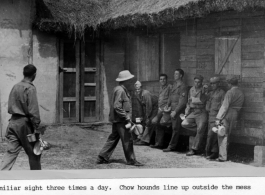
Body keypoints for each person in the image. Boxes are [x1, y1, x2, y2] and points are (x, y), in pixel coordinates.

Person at [96, 70, 143, 166]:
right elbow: (117, 106)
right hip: (121, 120)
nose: (131, 82)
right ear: (125, 81)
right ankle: (131, 160)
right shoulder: (120, 90)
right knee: (127, 139)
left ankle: (102, 157)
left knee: (113, 138)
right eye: (129, 80)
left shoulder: (119, 89)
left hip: (117, 120)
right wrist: (126, 117)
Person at [0, 64, 42, 170]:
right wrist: (36, 127)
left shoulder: (15, 86)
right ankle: (37, 179)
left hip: (13, 123)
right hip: (25, 125)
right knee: (34, 153)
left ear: (24, 73)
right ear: (34, 75)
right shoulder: (30, 88)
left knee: (10, 152)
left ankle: (2, 176)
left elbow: (10, 105)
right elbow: (33, 111)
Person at [156, 69, 188, 152]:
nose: (175, 75)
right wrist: (167, 104)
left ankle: (171, 146)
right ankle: (162, 142)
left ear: (181, 75)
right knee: (162, 122)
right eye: (174, 73)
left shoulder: (183, 86)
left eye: (177, 74)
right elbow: (170, 96)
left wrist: (175, 111)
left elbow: (182, 102)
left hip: (178, 110)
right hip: (171, 109)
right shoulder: (174, 84)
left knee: (175, 128)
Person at [215, 76, 244, 162]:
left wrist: (218, 118)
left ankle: (222, 157)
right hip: (235, 114)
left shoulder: (229, 92)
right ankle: (225, 155)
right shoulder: (241, 92)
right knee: (229, 134)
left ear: (230, 84)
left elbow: (225, 106)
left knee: (222, 133)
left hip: (228, 113)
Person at [182, 75, 208, 156]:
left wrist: (205, 90)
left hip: (201, 112)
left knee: (200, 129)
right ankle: (200, 129)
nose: (197, 84)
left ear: (201, 82)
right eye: (195, 82)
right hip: (193, 112)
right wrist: (186, 112)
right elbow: (188, 103)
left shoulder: (204, 89)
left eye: (199, 82)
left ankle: (193, 149)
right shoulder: (191, 89)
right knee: (184, 123)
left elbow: (204, 99)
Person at [205, 77, 225, 160]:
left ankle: (212, 152)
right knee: (210, 135)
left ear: (218, 84)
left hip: (217, 117)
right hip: (210, 116)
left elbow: (222, 106)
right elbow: (206, 103)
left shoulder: (222, 93)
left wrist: (219, 118)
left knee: (212, 135)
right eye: (211, 83)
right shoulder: (210, 93)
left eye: (214, 83)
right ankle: (210, 152)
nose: (212, 85)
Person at [150, 74, 172, 149]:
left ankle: (159, 143)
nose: (162, 81)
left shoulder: (169, 87)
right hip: (159, 109)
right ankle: (158, 143)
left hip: (165, 110)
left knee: (154, 121)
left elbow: (170, 98)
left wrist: (165, 108)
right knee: (158, 125)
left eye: (164, 79)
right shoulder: (160, 88)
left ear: (166, 80)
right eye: (161, 79)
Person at [133, 81, 158, 146]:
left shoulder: (146, 93)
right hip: (147, 107)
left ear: (141, 88)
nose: (137, 90)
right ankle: (140, 137)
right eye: (136, 89)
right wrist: (141, 116)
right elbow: (139, 106)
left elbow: (149, 106)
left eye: (139, 89)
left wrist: (147, 117)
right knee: (142, 121)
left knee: (149, 122)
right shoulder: (136, 93)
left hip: (154, 108)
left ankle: (145, 140)